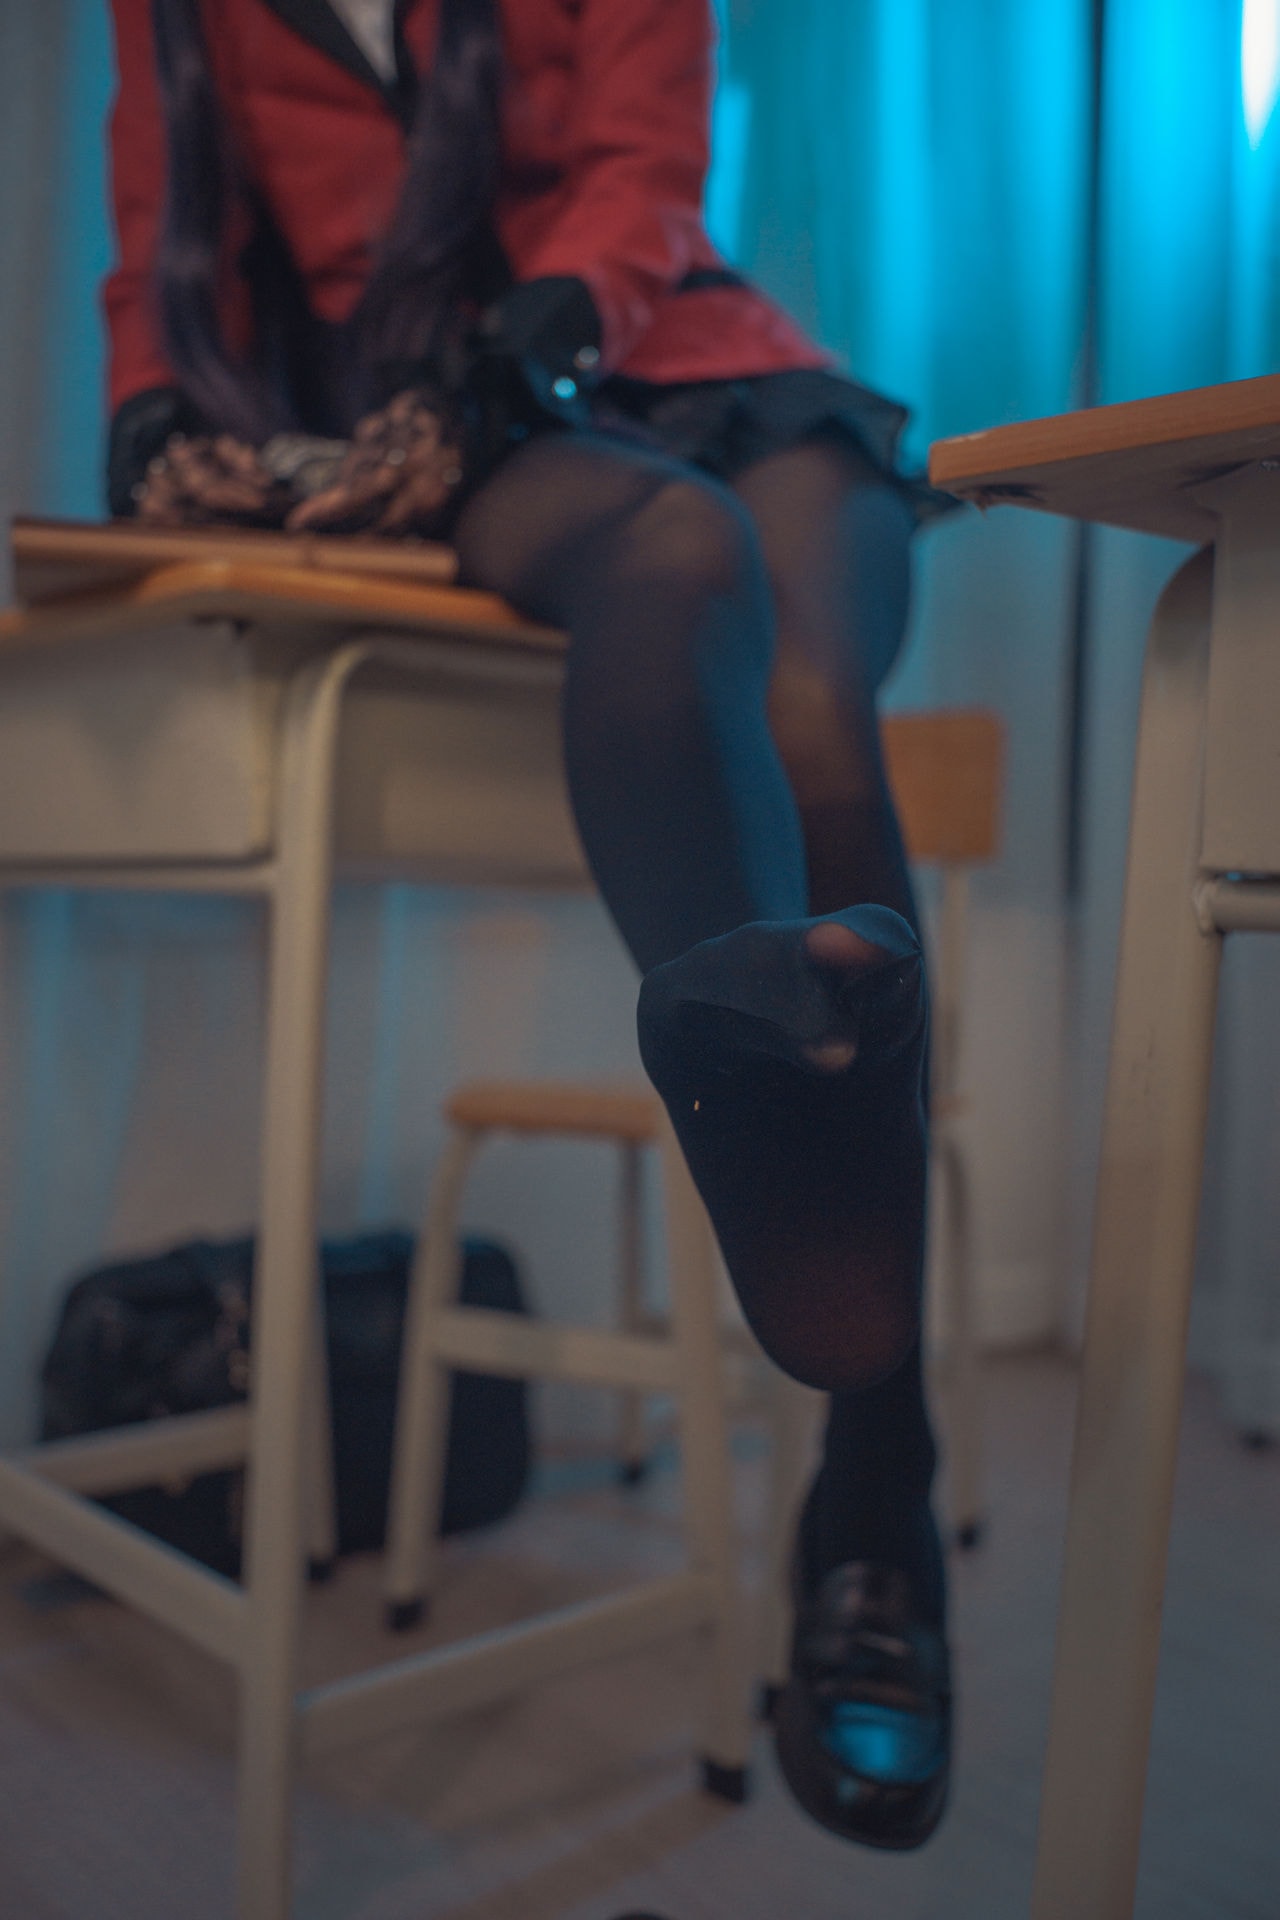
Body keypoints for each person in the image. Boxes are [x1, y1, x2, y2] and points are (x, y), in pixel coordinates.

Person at [104, 0, 952, 1851]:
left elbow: (645, 162)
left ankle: (877, 1469)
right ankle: (862, 1406)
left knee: (818, 704)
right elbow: (163, 237)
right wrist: (150, 403)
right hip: (444, 418)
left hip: (683, 352)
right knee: (679, 553)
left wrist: (555, 313)